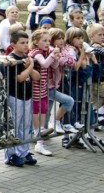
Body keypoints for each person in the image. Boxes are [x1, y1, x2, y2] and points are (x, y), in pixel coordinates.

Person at [5, 31, 40, 167]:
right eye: (22, 43)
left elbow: (36, 77)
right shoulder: (11, 59)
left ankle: (23, 152)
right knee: (14, 125)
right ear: (13, 44)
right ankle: (11, 155)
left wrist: (30, 67)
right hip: (15, 96)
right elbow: (19, 78)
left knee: (25, 126)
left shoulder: (26, 58)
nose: (26, 45)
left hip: (27, 96)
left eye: (27, 42)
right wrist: (30, 67)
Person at [28, 30, 58, 157]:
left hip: (44, 87)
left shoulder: (47, 52)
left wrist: (56, 57)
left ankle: (40, 141)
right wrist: (52, 56)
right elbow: (44, 64)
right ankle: (37, 133)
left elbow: (54, 66)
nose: (47, 43)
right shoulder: (36, 53)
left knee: (44, 109)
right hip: (36, 86)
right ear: (36, 42)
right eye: (44, 41)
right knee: (36, 110)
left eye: (48, 41)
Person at [47, 28, 76, 134]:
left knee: (47, 110)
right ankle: (54, 122)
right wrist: (64, 57)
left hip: (54, 84)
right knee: (68, 101)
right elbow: (64, 60)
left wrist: (65, 57)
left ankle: (47, 129)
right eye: (58, 38)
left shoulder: (62, 49)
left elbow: (71, 60)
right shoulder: (51, 50)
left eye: (62, 38)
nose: (61, 41)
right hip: (47, 84)